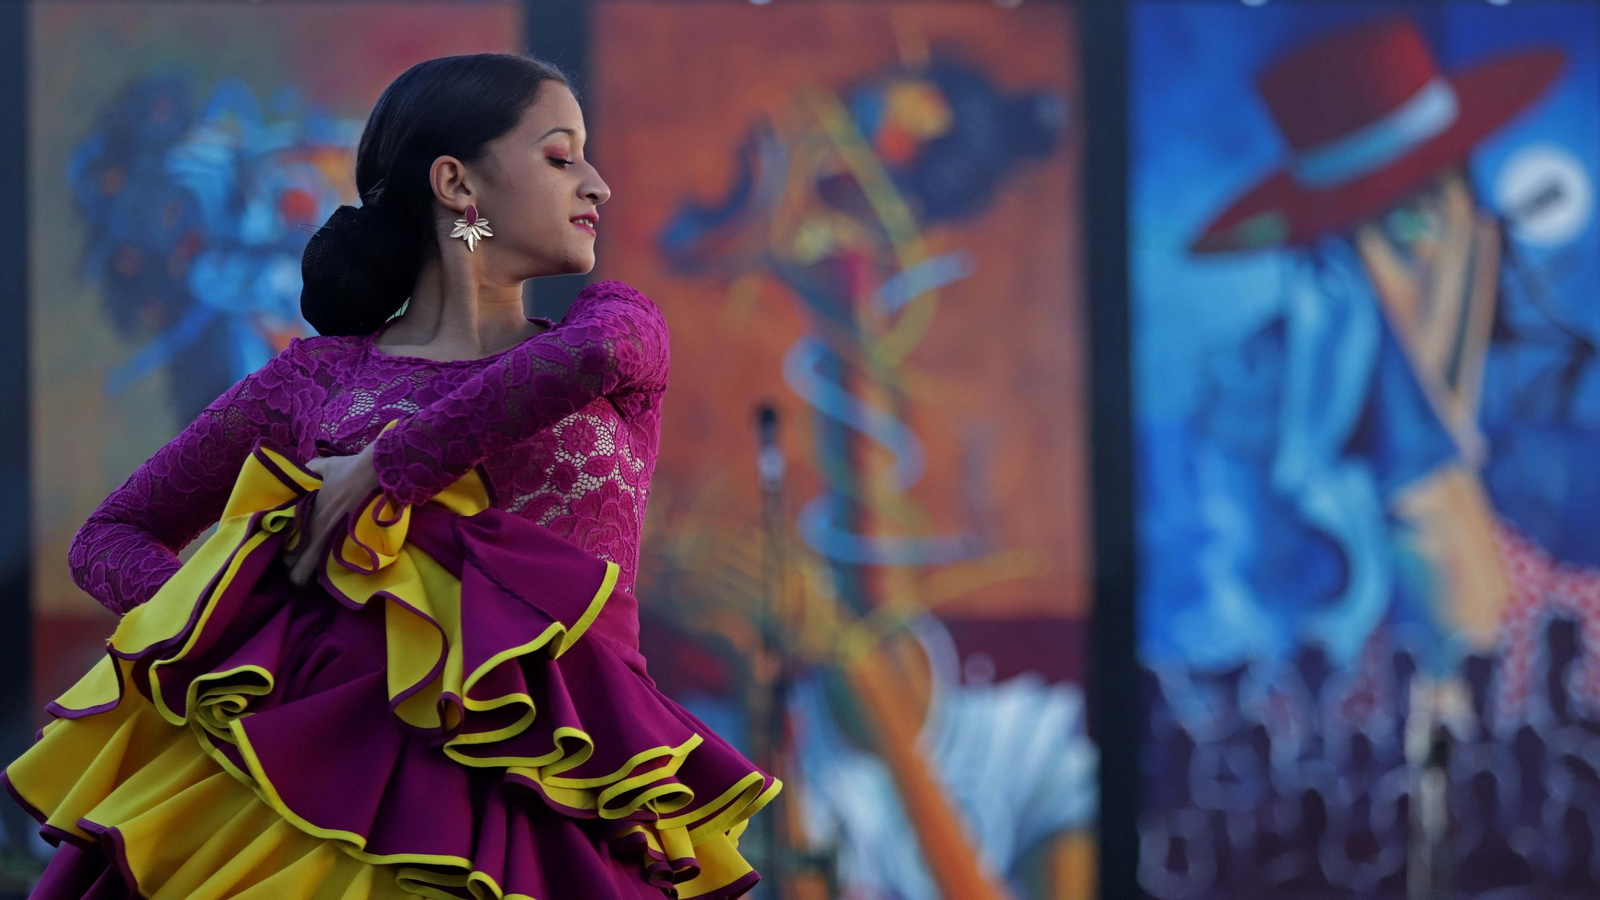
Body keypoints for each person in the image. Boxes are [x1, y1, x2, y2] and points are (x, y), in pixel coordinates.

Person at [4, 53, 779, 900]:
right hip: (315, 795)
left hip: (555, 784)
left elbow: (589, 357)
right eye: (561, 156)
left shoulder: (614, 328)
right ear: (457, 184)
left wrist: (389, 467)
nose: (596, 184)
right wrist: (235, 628)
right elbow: (107, 538)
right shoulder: (316, 378)